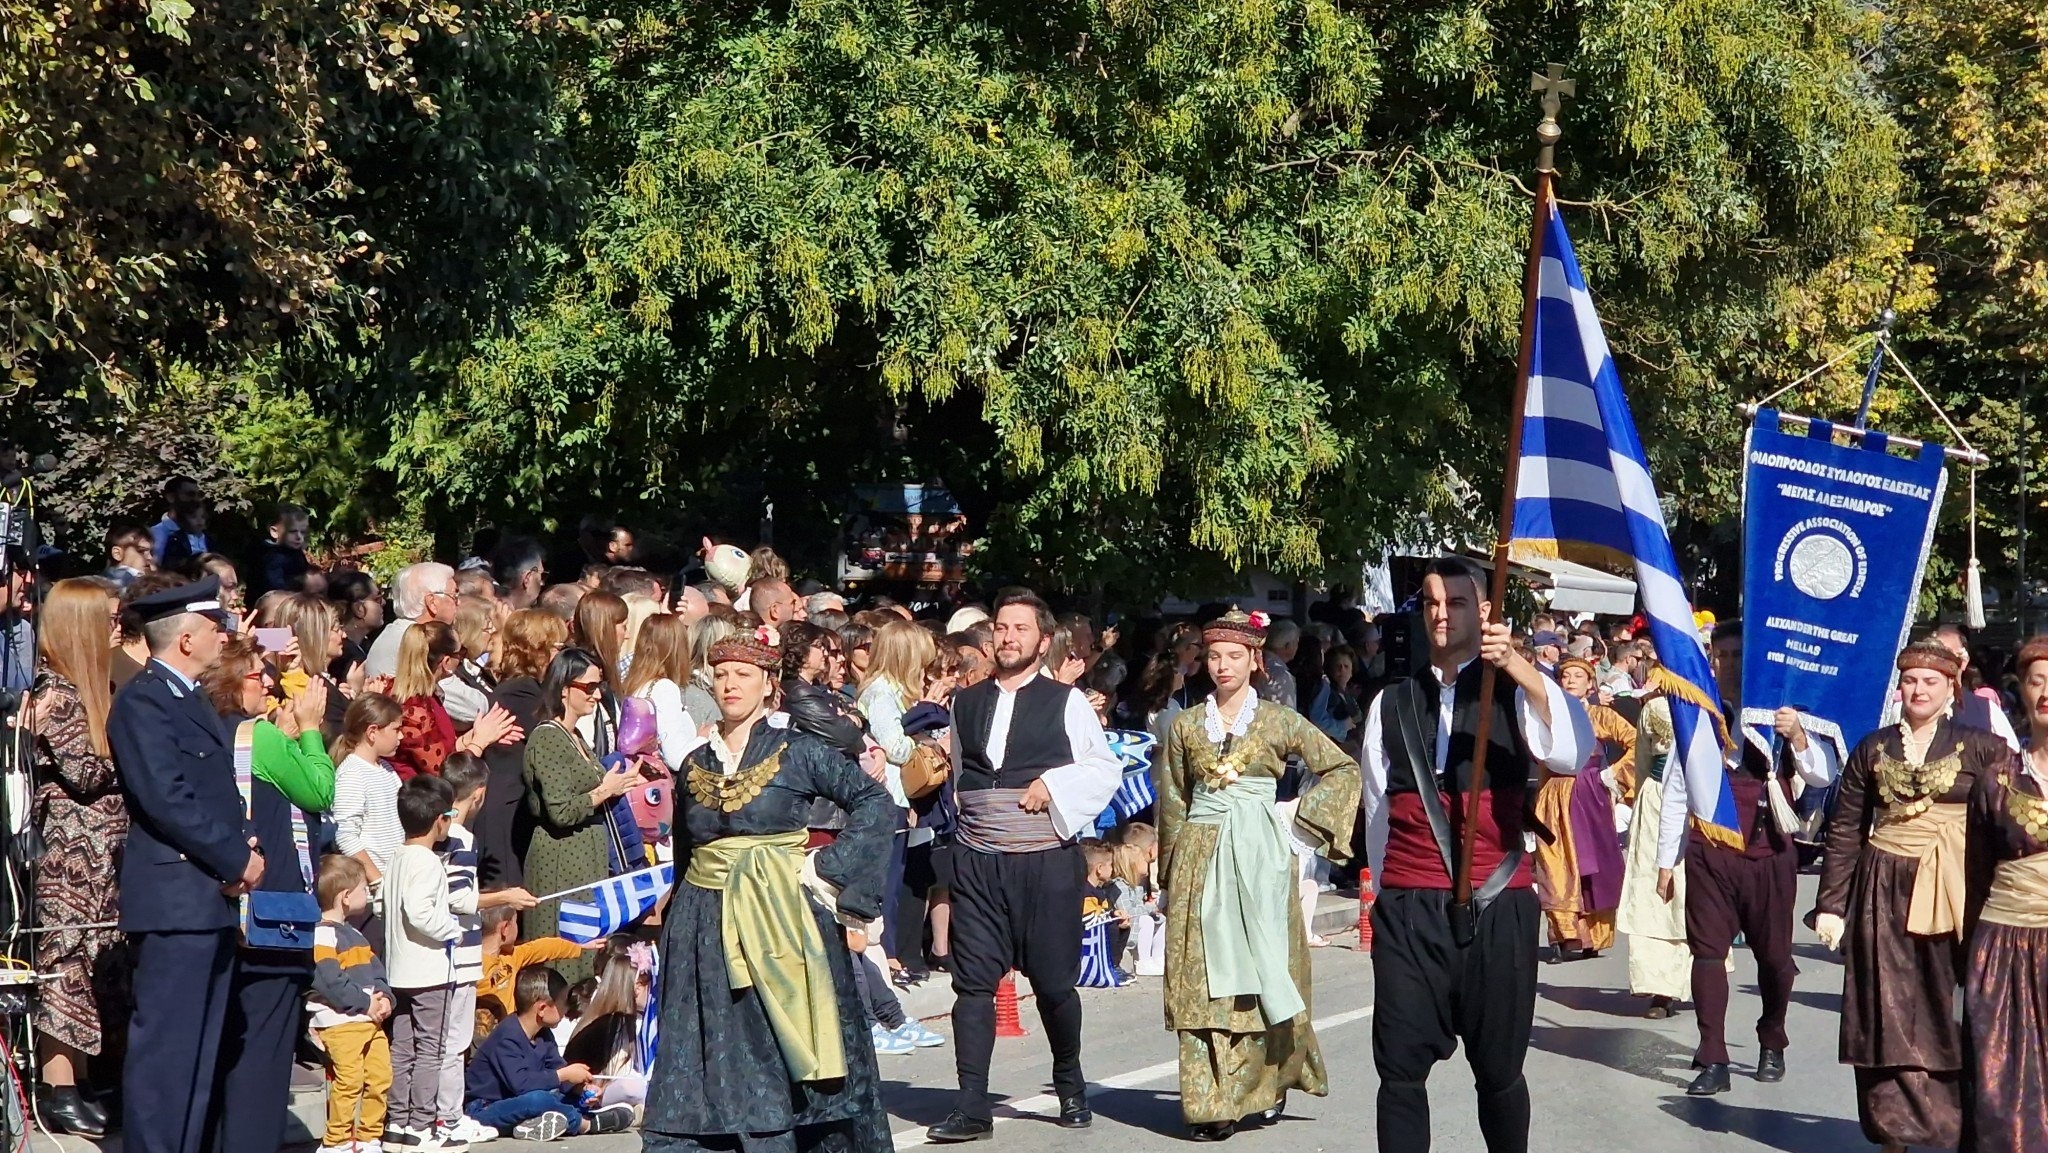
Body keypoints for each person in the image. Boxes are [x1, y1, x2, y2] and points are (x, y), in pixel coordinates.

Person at [1357, 557, 1591, 1153]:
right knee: (1399, 1068)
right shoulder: (1392, 702)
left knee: (1499, 1072)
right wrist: (1393, 896)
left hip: (1499, 904)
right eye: (1433, 602)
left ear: (1484, 611)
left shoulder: (1514, 692)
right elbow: (1379, 808)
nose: (1441, 614)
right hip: (1410, 908)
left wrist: (1514, 662)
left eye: (1456, 603)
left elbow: (1570, 751)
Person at [641, 623, 897, 1153]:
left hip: (781, 917)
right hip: (703, 920)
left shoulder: (798, 750)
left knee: (774, 1037)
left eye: (743, 674)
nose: (730, 684)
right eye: (721, 675)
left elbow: (874, 803)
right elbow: (689, 846)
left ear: (768, 684)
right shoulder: (694, 763)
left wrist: (829, 869)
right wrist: (675, 915)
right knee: (707, 1038)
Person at [926, 589, 1122, 1143]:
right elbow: (961, 775)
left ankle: (1070, 1082)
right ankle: (971, 1106)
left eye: (1020, 628)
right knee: (972, 985)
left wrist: (1053, 785)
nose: (1008, 637)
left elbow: (1103, 769)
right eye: (1001, 627)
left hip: (1044, 864)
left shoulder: (1067, 702)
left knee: (1055, 985)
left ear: (1042, 640)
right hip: (979, 861)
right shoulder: (966, 702)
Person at [1156, 609, 1360, 1139]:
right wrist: (1169, 874)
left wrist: (1298, 823)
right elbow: (1174, 802)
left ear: (1255, 659)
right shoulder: (1183, 725)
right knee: (1200, 976)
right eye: (1214, 656)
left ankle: (1262, 1088)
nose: (1222, 666)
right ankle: (1208, 1102)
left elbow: (1341, 767)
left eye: (1233, 656)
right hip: (1200, 857)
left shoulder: (1278, 720)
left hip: (1259, 858)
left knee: (1261, 970)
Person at [1811, 641, 2010, 1152]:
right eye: (1910, 681)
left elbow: (2010, 819)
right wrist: (1833, 904)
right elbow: (1845, 830)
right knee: (1886, 1008)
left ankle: (1958, 1127)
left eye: (1931, 682)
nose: (1918, 690)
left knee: (1952, 1010)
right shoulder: (1873, 747)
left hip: (1958, 891)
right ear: (1898, 687)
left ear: (1951, 690)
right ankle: (1892, 1132)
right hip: (1882, 889)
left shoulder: (1982, 747)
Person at [108, 574, 261, 1153]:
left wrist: (245, 849)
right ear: (186, 640)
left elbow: (215, 793)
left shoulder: (188, 699)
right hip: (176, 900)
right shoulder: (144, 701)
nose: (225, 637)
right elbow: (165, 798)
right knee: (167, 1055)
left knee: (198, 1057)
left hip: (206, 898)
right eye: (214, 628)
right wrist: (233, 858)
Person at [1654, 620, 1837, 1097]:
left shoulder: (1784, 714)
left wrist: (1797, 737)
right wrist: (1665, 858)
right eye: (1725, 656)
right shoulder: (1700, 713)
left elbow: (1821, 775)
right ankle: (1712, 1056)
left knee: (1776, 960)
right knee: (1707, 954)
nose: (1731, 664)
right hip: (1710, 853)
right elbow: (1679, 784)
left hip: (1768, 853)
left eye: (1740, 656)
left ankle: (1772, 1038)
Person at [200, 636, 326, 1153]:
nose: (269, 682)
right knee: (265, 1054)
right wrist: (313, 730)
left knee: (225, 1047)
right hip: (273, 917)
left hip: (219, 914)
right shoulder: (261, 738)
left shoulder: (206, 732)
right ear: (231, 683)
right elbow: (321, 791)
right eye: (258, 675)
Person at [27, 578, 127, 1138]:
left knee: (93, 963)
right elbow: (84, 773)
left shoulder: (96, 687)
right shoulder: (58, 695)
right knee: (65, 962)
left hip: (104, 856)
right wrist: (131, 755)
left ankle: (85, 1078)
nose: (119, 627)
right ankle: (58, 1083)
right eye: (109, 618)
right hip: (69, 855)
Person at [1962, 636, 2048, 1153]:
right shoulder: (1998, 779)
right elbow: (1976, 870)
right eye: (2037, 681)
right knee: (2004, 1084)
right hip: (2007, 945)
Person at [520, 648, 636, 979]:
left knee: (585, 955)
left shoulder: (575, 736)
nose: (597, 695)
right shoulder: (547, 738)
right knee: (564, 960)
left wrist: (620, 783)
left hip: (584, 863)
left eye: (599, 686)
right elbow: (560, 811)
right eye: (589, 687)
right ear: (564, 687)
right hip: (561, 864)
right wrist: (605, 790)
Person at [441, 756, 538, 1148]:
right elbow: (460, 897)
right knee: (454, 1040)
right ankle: (448, 1116)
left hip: (440, 954)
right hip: (458, 953)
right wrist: (506, 895)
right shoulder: (461, 838)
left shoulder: (435, 830)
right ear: (479, 795)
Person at [383, 775, 465, 1151]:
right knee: (431, 1049)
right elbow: (419, 912)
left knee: (402, 1048)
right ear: (439, 820)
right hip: (429, 971)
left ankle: (397, 1124)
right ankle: (421, 1126)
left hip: (399, 970)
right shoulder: (428, 862)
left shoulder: (396, 858)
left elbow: (385, 906)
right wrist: (452, 929)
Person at [1531, 657, 1630, 960]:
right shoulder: (1547, 715)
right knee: (1557, 861)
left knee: (1595, 863)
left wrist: (1613, 777)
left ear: (1591, 684)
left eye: (1578, 676)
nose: (1571, 680)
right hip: (1554, 794)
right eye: (1565, 676)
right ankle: (1567, 932)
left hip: (1591, 792)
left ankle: (1593, 934)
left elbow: (1637, 741)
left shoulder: (1601, 715)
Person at [467, 966, 636, 1140]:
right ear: (542, 1008)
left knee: (558, 1097)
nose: (566, 1008)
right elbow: (521, 1084)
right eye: (563, 1002)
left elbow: (557, 1068)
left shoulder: (543, 1034)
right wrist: (564, 1074)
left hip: (520, 1100)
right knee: (538, 1100)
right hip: (485, 1108)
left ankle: (533, 1125)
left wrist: (582, 1088)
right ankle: (588, 1124)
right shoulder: (507, 1036)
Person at [478, 609, 568, 888]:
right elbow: (555, 743)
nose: (561, 655)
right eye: (557, 648)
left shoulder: (528, 689)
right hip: (505, 812)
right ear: (535, 650)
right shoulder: (520, 693)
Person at [311, 854, 395, 1153]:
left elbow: (377, 971)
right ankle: (337, 1141)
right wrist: (364, 1002)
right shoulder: (322, 933)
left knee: (380, 1076)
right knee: (349, 1081)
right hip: (341, 1022)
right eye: (364, 890)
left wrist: (385, 997)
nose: (368, 895)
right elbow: (328, 980)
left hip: (369, 1021)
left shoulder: (356, 934)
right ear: (345, 897)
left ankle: (369, 1136)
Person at [1615, 694, 1690, 1018]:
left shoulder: (1710, 704)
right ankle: (1659, 987)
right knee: (1653, 892)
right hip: (1658, 800)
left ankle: (1699, 976)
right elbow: (1644, 759)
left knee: (1694, 890)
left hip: (1698, 803)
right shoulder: (1655, 708)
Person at [332, 694, 408, 901]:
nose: (401, 737)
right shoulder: (352, 774)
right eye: (396, 730)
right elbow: (345, 834)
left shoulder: (386, 770)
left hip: (396, 881)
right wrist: (377, 880)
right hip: (375, 893)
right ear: (372, 732)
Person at [1934, 622, 2021, 750]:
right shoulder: (1903, 707)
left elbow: (2012, 757)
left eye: (1946, 655)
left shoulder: (1986, 710)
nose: (1936, 662)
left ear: (1963, 660)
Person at [367, 563, 459, 680]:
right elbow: (449, 692)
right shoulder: (417, 638)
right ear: (432, 603)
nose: (458, 603)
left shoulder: (400, 631)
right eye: (454, 596)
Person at [250, 503, 314, 599]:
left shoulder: (294, 551)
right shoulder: (271, 557)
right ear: (274, 532)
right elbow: (274, 587)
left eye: (303, 532)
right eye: (293, 531)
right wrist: (301, 583)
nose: (299, 537)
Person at [151, 475, 209, 570]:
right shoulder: (154, 535)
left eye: (198, 495)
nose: (196, 500)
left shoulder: (203, 534)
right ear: (171, 497)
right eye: (190, 494)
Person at [104, 525, 154, 590]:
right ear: (117, 553)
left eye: (152, 552)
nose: (150, 557)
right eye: (141, 551)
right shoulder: (109, 587)